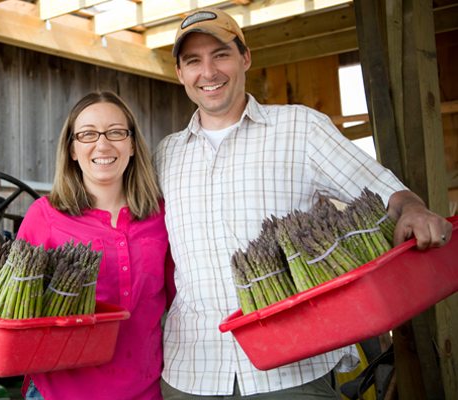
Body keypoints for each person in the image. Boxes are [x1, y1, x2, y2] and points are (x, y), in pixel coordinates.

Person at [153, 8, 453, 399]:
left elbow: (386, 192)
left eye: (220, 54)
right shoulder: (166, 154)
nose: (208, 71)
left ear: (245, 58)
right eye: (193, 61)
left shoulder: (300, 128)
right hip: (192, 372)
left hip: (292, 369)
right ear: (180, 73)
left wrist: (413, 209)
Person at [0, 91, 176, 400]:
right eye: (87, 134)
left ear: (133, 144)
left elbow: (182, 296)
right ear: (71, 149)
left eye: (116, 132)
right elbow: (9, 287)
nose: (103, 144)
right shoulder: (46, 215)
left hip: (145, 392)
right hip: (59, 392)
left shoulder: (162, 216)